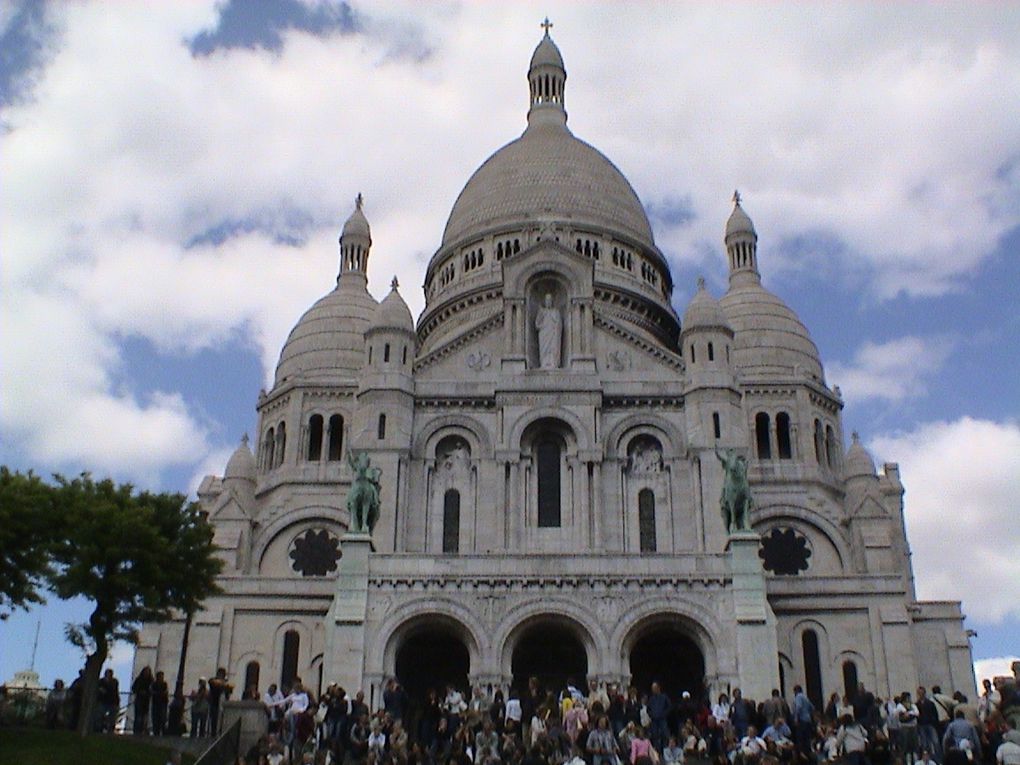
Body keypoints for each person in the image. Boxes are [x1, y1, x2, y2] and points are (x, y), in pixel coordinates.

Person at [535, 293, 562, 369]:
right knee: (544, 349)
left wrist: (556, 327)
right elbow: (537, 323)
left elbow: (559, 324)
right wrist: (542, 327)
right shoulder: (542, 312)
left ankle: (553, 363)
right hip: (544, 334)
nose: (548, 302)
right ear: (545, 301)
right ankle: (544, 363)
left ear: (552, 301)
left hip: (553, 333)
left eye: (550, 300)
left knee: (553, 347)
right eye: (547, 300)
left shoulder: (556, 312)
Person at [208, 667, 233, 736]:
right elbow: (212, 683)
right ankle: (213, 734)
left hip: (223, 703)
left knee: (221, 720)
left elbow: (229, 692)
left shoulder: (225, 683)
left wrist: (226, 687)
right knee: (214, 720)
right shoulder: (213, 681)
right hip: (215, 703)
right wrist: (222, 684)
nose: (222, 676)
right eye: (221, 674)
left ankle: (219, 734)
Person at [647, 682, 671, 752]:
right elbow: (648, 709)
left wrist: (664, 714)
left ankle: (665, 749)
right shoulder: (651, 699)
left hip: (662, 719)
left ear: (658, 688)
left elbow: (669, 707)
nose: (653, 690)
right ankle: (657, 750)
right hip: (654, 720)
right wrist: (651, 714)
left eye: (654, 688)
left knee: (664, 734)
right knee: (655, 735)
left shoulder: (664, 697)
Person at [97, 668, 120, 732]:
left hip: (113, 702)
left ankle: (110, 730)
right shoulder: (101, 681)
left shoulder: (114, 681)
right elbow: (99, 689)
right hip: (103, 701)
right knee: (100, 716)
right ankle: (99, 729)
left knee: (112, 718)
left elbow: (112, 690)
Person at [132, 666, 153, 734]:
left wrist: (148, 693)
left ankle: (143, 730)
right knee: (139, 716)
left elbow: (152, 689)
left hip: (146, 701)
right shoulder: (139, 680)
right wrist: (140, 691)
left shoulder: (151, 680)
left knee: (144, 716)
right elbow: (134, 688)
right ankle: (137, 730)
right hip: (139, 700)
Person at [151, 670, 170, 735]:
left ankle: (163, 731)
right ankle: (156, 732)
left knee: (162, 718)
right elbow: (153, 692)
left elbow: (165, 692)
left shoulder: (164, 684)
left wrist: (159, 693)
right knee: (156, 719)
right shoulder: (154, 684)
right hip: (156, 703)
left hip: (162, 703)